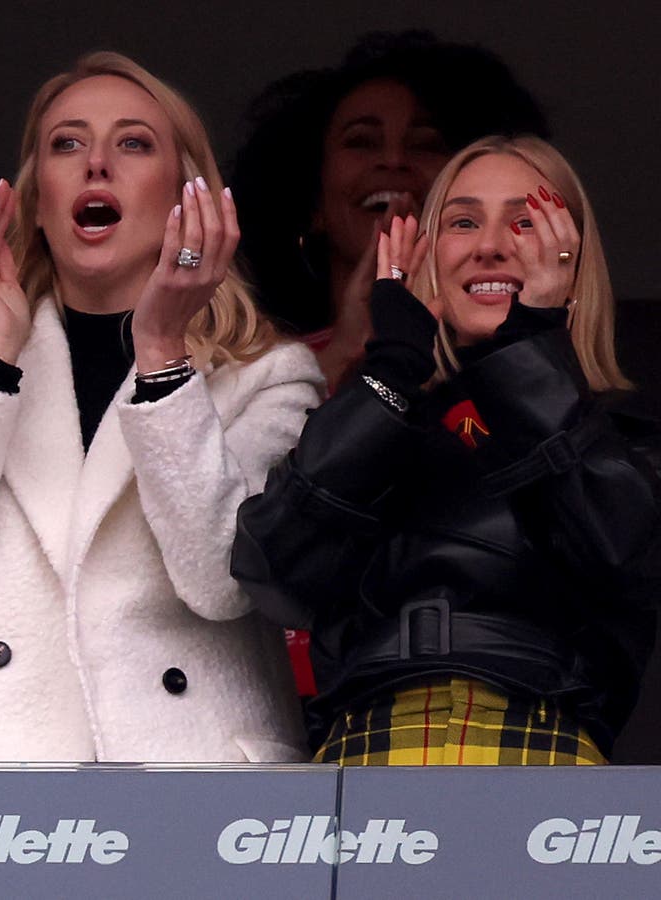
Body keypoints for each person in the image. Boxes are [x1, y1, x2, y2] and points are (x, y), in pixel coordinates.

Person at [0, 52, 321, 763]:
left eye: (133, 143)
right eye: (67, 144)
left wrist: (163, 348)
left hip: (191, 785)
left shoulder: (271, 376)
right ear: (38, 200)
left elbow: (222, 583)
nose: (96, 164)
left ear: (186, 200)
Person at [233, 135, 661, 765]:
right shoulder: (384, 421)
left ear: (571, 257)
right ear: (429, 256)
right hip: (363, 752)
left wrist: (531, 349)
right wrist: (394, 365)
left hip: (539, 754)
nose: (489, 245)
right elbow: (269, 570)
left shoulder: (626, 446)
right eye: (463, 222)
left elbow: (619, 552)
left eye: (525, 221)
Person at [231, 30, 549, 392]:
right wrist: (341, 356)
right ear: (313, 200)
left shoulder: (513, 349)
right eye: (362, 142)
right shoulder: (262, 376)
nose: (394, 160)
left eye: (426, 144)